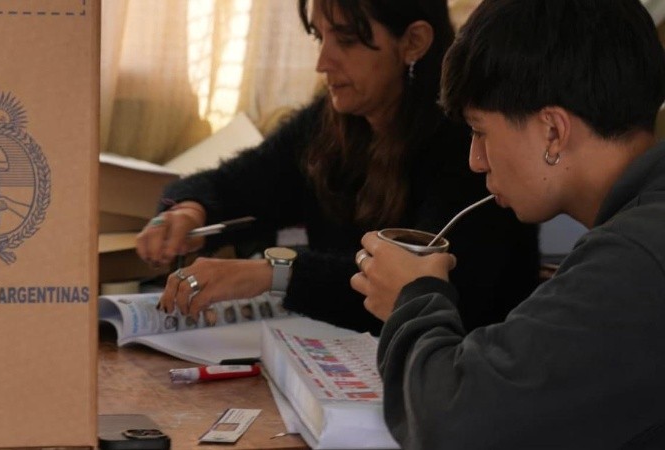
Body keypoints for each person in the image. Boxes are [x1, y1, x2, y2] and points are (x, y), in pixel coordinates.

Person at [351, 0, 665, 447]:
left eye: (479, 131)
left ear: (553, 132)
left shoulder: (637, 258)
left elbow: (455, 422)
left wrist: (412, 299)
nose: (475, 161)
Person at [137, 0, 540, 335]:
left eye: (346, 40)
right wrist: (190, 210)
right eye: (319, 36)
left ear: (414, 42)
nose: (323, 62)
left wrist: (272, 272)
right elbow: (234, 184)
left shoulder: (471, 146)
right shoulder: (329, 124)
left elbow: (412, 288)